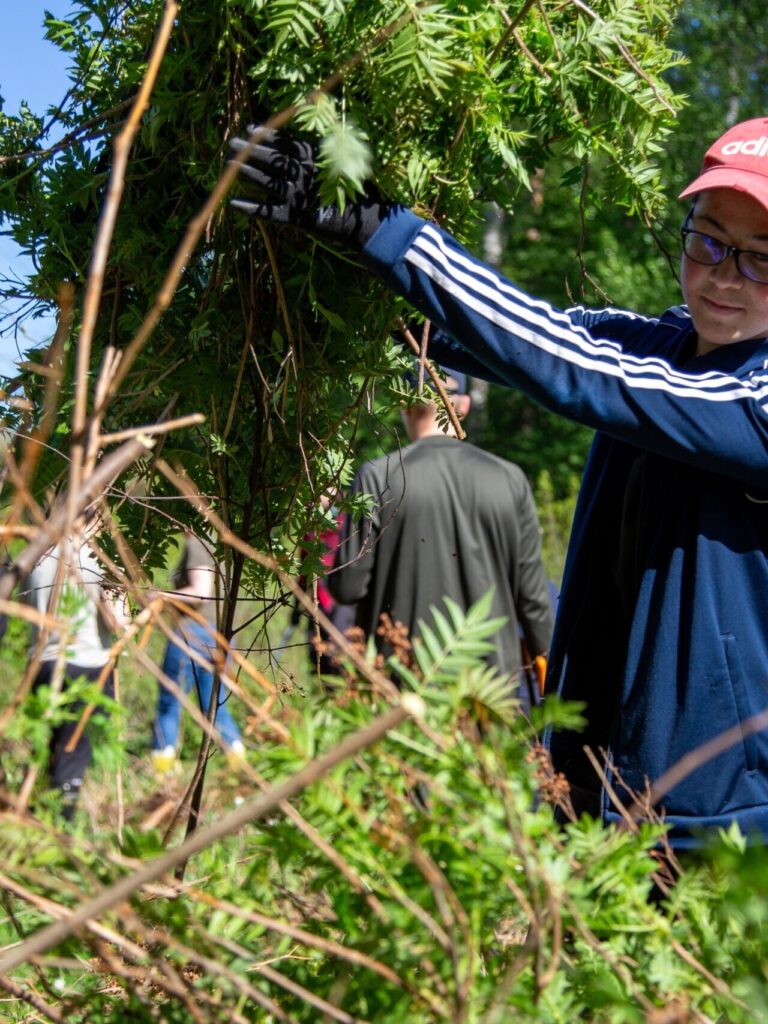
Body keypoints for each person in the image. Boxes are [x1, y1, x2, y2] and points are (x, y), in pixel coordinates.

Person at [229, 116, 768, 847]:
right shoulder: (659, 343)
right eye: (708, 240)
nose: (724, 274)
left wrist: (383, 225)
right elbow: (511, 332)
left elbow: (576, 369)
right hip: (594, 787)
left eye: (760, 259)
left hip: (721, 818)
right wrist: (325, 257)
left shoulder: (759, 395)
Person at [329, 364, 553, 711]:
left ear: (404, 405)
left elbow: (346, 588)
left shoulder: (377, 478)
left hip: (402, 689)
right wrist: (547, 669)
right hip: (491, 691)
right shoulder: (510, 479)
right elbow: (534, 600)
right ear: (461, 405)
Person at [19, 511, 129, 818]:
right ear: (95, 521)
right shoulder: (97, 559)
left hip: (41, 663)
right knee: (74, 749)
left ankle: (32, 813)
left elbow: (23, 606)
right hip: (85, 665)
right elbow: (116, 623)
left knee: (48, 744)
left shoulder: (37, 557)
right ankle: (61, 828)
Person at [150, 528, 245, 774]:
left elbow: (201, 593)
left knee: (169, 703)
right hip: (218, 636)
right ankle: (238, 766)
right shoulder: (218, 545)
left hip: (192, 635)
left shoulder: (198, 544)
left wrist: (160, 596)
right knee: (214, 705)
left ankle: (162, 768)